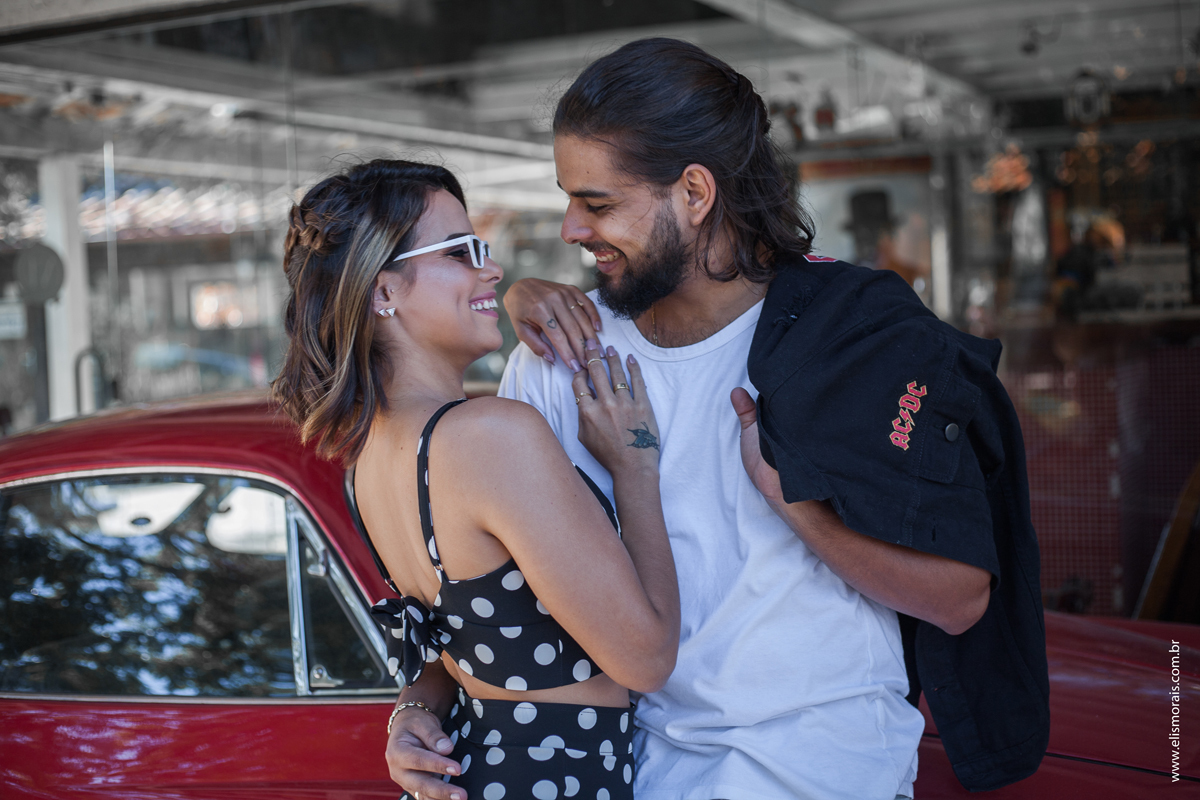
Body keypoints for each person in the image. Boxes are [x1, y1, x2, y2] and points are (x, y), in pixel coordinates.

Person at [390, 38, 1046, 800]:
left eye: (597, 203)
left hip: (821, 770)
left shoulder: (851, 345)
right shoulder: (555, 360)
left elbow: (961, 599)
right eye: (569, 199)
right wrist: (417, 706)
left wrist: (799, 507)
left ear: (695, 194)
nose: (570, 228)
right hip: (632, 772)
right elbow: (507, 604)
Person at [270, 159, 680, 800]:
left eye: (483, 250)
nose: (491, 269)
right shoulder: (489, 437)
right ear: (384, 291)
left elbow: (467, 644)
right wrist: (635, 466)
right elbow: (648, 659)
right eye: (462, 251)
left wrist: (414, 707)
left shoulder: (368, 459)